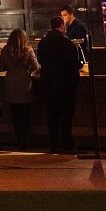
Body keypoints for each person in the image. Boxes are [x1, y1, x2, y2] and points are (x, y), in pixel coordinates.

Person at [36, 16, 81, 153]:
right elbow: (72, 62)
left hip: (49, 83)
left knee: (53, 114)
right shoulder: (65, 43)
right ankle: (67, 143)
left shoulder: (43, 42)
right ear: (62, 26)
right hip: (65, 83)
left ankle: (53, 144)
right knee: (66, 115)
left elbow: (40, 60)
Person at [0, 28, 39, 148]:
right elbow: (36, 66)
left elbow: (1, 67)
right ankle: (24, 139)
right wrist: (28, 71)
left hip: (10, 83)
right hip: (25, 83)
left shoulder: (6, 50)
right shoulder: (28, 49)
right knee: (25, 113)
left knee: (15, 114)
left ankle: (18, 139)